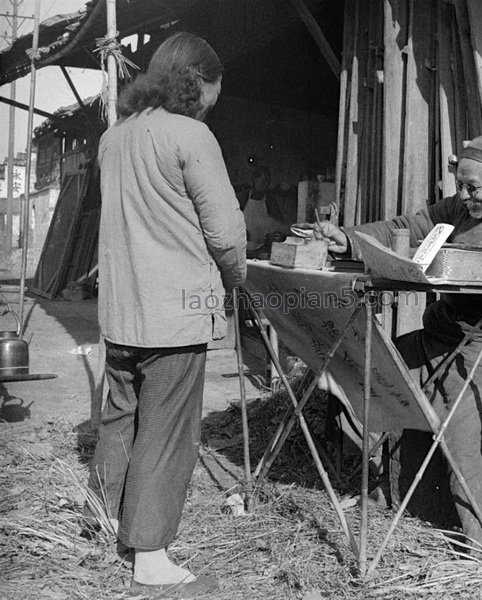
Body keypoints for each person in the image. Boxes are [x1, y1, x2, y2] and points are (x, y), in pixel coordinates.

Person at [314, 134, 482, 553]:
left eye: (473, 188)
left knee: (463, 417)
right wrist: (349, 239)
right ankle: (405, 499)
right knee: (364, 365)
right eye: (460, 186)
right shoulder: (458, 209)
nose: (463, 196)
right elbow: (405, 229)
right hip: (441, 336)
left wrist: (466, 271)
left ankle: (478, 540)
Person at [86, 32, 246, 594]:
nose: (209, 104)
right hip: (176, 311)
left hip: (122, 310)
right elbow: (225, 234)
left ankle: (107, 521)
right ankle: (149, 553)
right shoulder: (191, 134)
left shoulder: (115, 137)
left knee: (120, 414)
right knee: (168, 430)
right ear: (196, 83)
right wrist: (237, 282)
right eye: (211, 93)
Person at [237, 166, 291, 254]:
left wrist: (277, 234)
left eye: (268, 182)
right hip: (244, 248)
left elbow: (280, 223)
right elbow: (231, 221)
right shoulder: (243, 197)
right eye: (264, 181)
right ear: (254, 180)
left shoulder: (270, 200)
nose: (266, 184)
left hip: (263, 248)